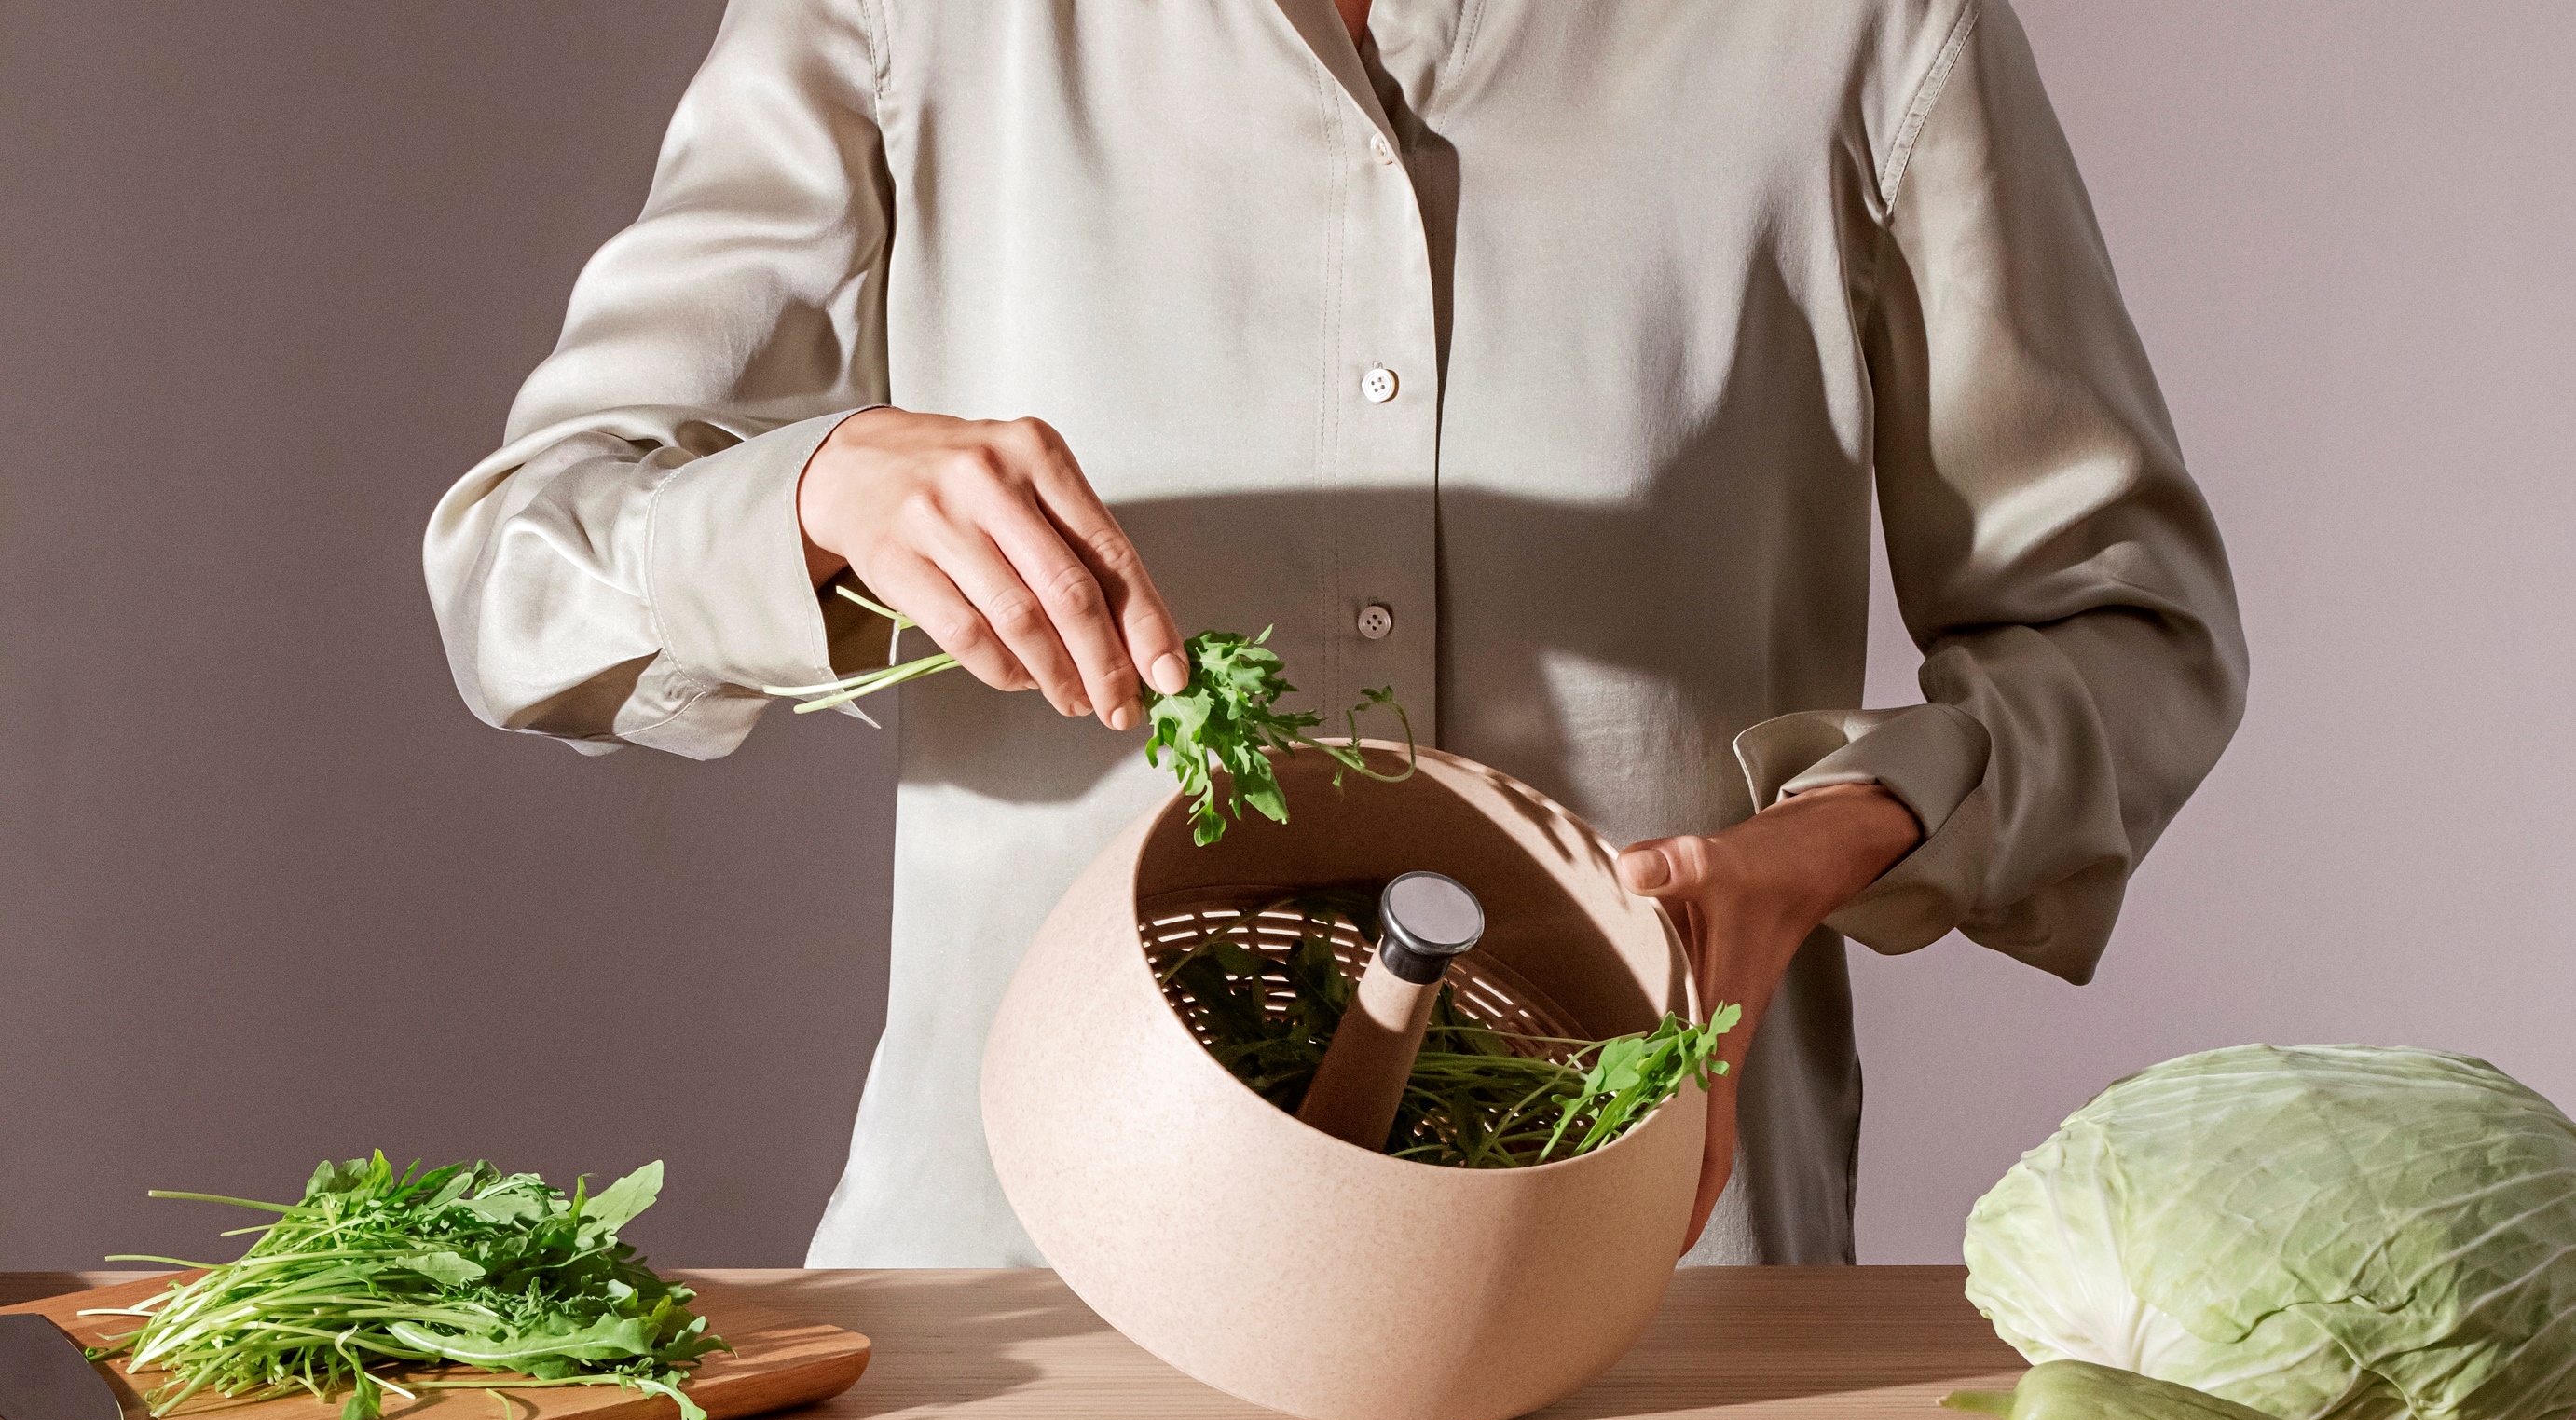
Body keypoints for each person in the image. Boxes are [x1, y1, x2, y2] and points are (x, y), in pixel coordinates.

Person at [427, 0, 2242, 1268]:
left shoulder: (1859, 24)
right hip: (1029, 1294)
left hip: (1624, 1285)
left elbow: (2124, 632)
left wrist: (1810, 852)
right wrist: (816, 494)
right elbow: (516, 571)